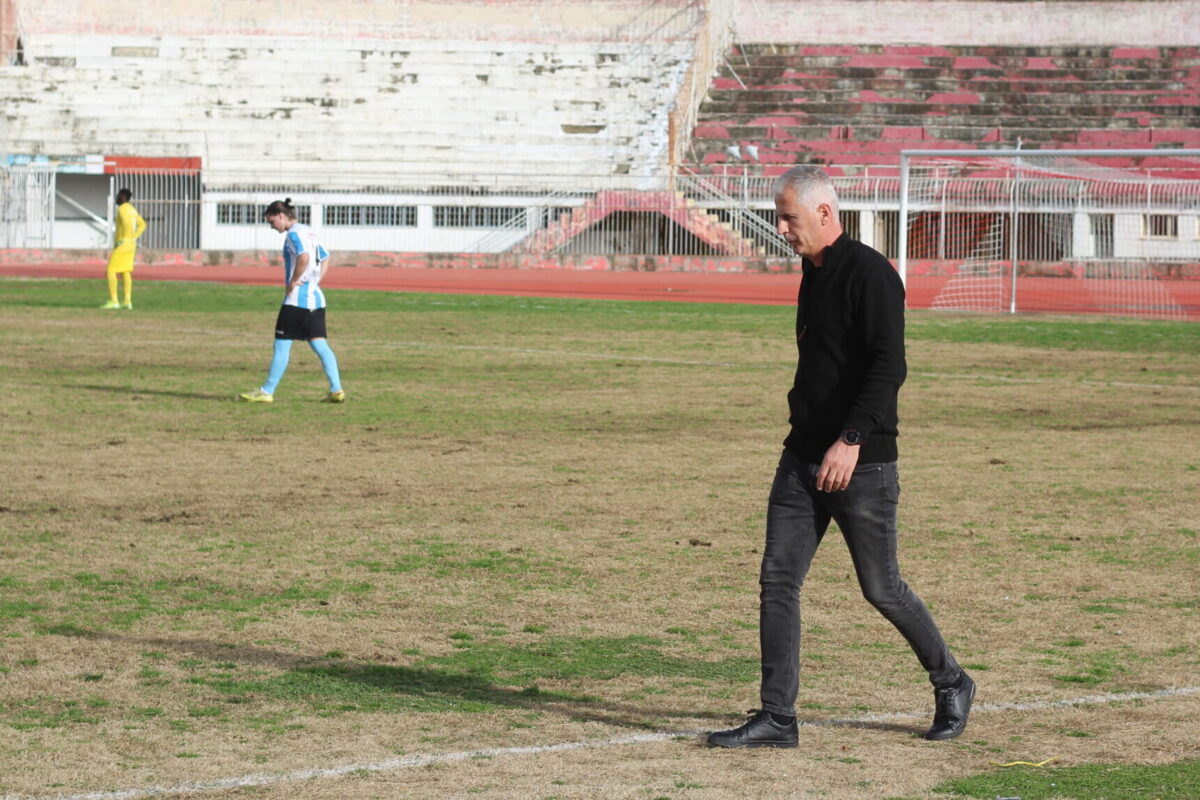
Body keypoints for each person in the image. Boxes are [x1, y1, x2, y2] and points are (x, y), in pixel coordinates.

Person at [707, 166, 974, 749]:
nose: (780, 229)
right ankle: (778, 718)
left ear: (825, 213)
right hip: (801, 457)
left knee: (882, 588)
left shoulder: (873, 275)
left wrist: (850, 441)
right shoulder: (813, 268)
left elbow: (888, 368)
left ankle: (951, 679)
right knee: (778, 579)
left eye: (789, 218)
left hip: (862, 463)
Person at [239, 199, 345, 404]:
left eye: (272, 222)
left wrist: (294, 281)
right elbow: (325, 257)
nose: (271, 226)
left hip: (297, 300)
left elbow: (304, 257)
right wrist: (315, 282)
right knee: (320, 344)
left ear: (281, 215)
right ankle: (336, 389)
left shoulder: (294, 234)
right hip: (316, 298)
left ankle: (266, 391)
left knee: (282, 344)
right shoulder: (308, 231)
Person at [100, 188, 147, 309]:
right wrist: (133, 237)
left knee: (110, 270)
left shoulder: (121, 209)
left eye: (118, 195)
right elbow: (142, 224)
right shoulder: (132, 210)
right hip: (131, 245)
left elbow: (126, 223)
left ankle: (114, 300)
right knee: (126, 271)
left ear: (123, 197)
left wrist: (125, 238)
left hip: (123, 244)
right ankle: (127, 301)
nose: (116, 198)